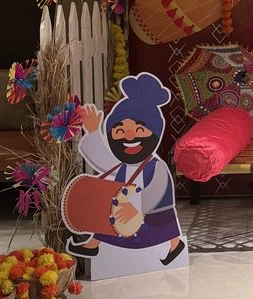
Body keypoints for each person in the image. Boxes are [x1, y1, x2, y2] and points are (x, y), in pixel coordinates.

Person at [67, 73, 185, 266]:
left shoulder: (157, 166)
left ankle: (175, 244)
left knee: (163, 227)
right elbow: (102, 159)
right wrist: (94, 131)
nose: (129, 137)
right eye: (119, 131)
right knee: (110, 219)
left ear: (154, 134)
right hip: (125, 214)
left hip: (151, 214)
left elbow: (156, 191)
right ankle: (93, 245)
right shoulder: (121, 164)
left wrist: (137, 206)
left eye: (139, 130)